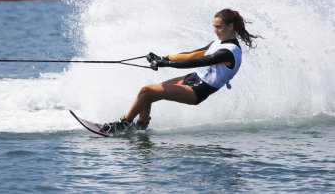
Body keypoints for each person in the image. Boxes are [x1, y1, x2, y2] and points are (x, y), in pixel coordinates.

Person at [101, 8, 261, 134]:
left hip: (198, 90)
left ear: (231, 26)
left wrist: (166, 63)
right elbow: (192, 54)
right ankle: (140, 128)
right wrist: (163, 57)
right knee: (148, 95)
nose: (215, 30)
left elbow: (197, 61)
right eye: (214, 27)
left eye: (218, 27)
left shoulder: (230, 52)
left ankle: (123, 125)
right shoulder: (218, 42)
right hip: (192, 78)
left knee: (146, 91)